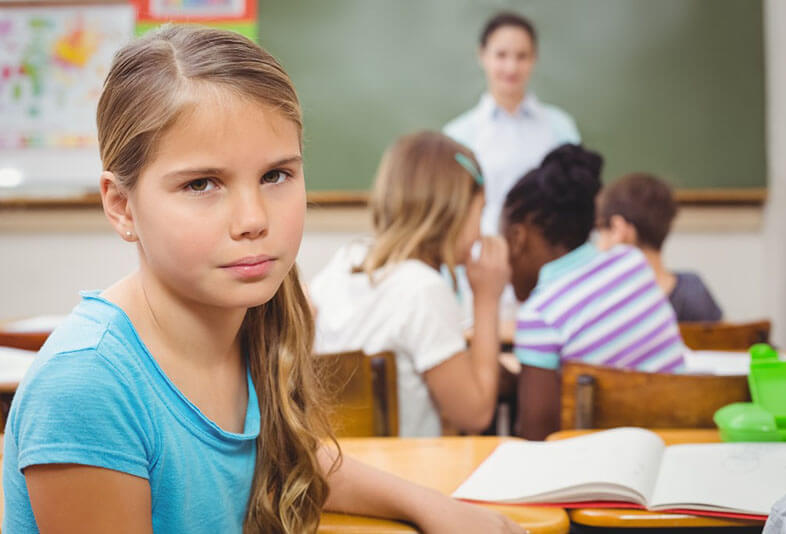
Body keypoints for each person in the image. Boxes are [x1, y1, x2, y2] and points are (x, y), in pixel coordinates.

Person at [2, 26, 523, 534]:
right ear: (121, 206)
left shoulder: (253, 319)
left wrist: (431, 506)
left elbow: (295, 457)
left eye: (276, 175)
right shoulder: (88, 387)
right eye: (202, 184)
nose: (253, 219)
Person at [310, 131, 510, 437]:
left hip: (346, 469)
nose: (482, 230)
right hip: (407, 474)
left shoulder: (343, 263)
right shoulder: (423, 289)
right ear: (454, 211)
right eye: (479, 212)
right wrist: (487, 300)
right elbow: (476, 414)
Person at [500, 145, 686, 440]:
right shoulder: (632, 262)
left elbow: (536, 438)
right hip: (678, 443)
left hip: (607, 471)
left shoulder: (540, 315)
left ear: (517, 239)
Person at [444, 11, 580, 236]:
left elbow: (576, 198)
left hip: (549, 256)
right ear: (482, 55)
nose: (511, 67)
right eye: (501, 55)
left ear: (534, 59)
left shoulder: (561, 127)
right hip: (481, 256)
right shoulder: (457, 136)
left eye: (522, 56)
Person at [595, 172, 723, 322]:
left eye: (601, 232)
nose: (599, 245)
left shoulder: (608, 302)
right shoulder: (694, 290)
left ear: (619, 228)